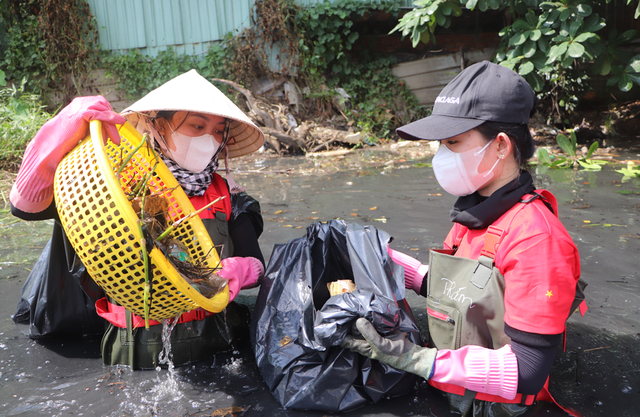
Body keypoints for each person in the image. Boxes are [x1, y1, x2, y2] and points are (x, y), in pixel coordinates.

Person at [342, 61, 586, 416]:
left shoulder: (536, 238)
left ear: (501, 145)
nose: (441, 155)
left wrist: (417, 359)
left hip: (493, 407)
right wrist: (384, 262)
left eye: (453, 142)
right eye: (441, 144)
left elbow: (529, 370)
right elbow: (464, 296)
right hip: (450, 390)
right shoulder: (476, 213)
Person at [11, 69, 266, 370]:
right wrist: (62, 129)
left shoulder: (225, 195)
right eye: (197, 126)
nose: (210, 140)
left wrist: (242, 270)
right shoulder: (118, 184)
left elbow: (257, 264)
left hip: (219, 342)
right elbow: (26, 208)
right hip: (134, 349)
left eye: (219, 131)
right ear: (159, 126)